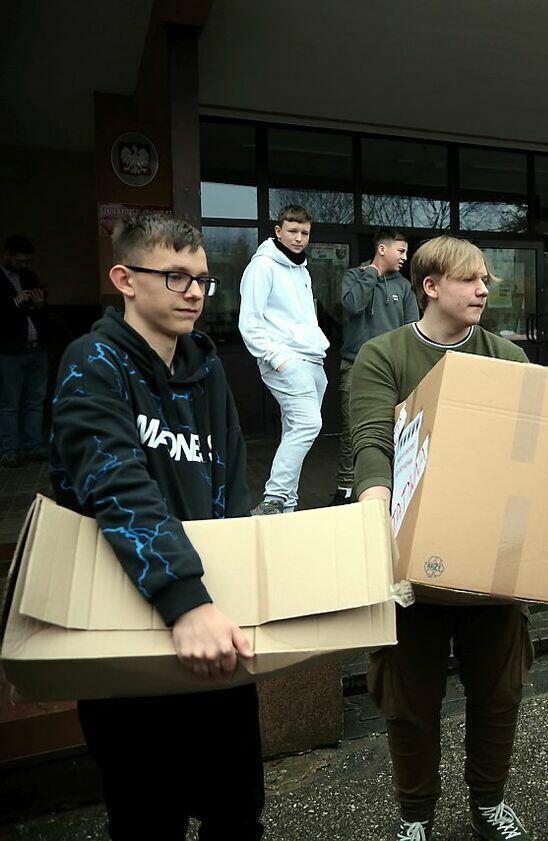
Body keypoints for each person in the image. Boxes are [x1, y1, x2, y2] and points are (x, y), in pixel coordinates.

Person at [48, 212, 263, 839]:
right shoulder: (92, 362)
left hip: (213, 622)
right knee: (148, 818)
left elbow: (231, 480)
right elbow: (115, 485)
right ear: (125, 279)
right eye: (175, 277)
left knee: (237, 811)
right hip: (132, 619)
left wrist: (235, 587)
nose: (194, 293)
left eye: (202, 279)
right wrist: (184, 599)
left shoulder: (208, 367)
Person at [351, 236, 535, 841]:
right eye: (469, 279)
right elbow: (372, 442)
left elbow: (528, 454)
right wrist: (375, 508)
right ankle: (415, 815)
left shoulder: (507, 357)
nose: (483, 290)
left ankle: (488, 803)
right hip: (412, 566)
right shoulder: (383, 355)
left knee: (499, 692)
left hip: (491, 561)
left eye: (486, 279)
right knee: (409, 701)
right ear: (430, 286)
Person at [238, 204, 329, 515]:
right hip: (287, 360)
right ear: (278, 232)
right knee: (308, 424)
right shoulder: (262, 267)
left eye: (304, 232)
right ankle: (274, 498)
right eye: (292, 231)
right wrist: (278, 358)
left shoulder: (301, 269)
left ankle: (286, 507)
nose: (299, 238)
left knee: (296, 432)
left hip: (313, 360)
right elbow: (249, 321)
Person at [332, 227, 418, 505]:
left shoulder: (403, 286)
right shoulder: (354, 276)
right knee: (353, 430)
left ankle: (391, 489)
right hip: (355, 365)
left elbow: (411, 329)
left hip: (393, 370)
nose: (404, 257)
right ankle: (345, 489)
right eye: (400, 251)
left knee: (396, 429)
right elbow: (353, 305)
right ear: (382, 249)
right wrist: (372, 273)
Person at [1, 234, 49, 467]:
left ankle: (33, 447)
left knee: (35, 401)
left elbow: (41, 312)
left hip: (36, 347)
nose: (24, 265)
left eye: (27, 261)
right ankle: (9, 451)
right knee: (10, 404)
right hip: (10, 350)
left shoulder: (29, 276)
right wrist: (14, 302)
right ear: (7, 255)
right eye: (20, 260)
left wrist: (39, 305)